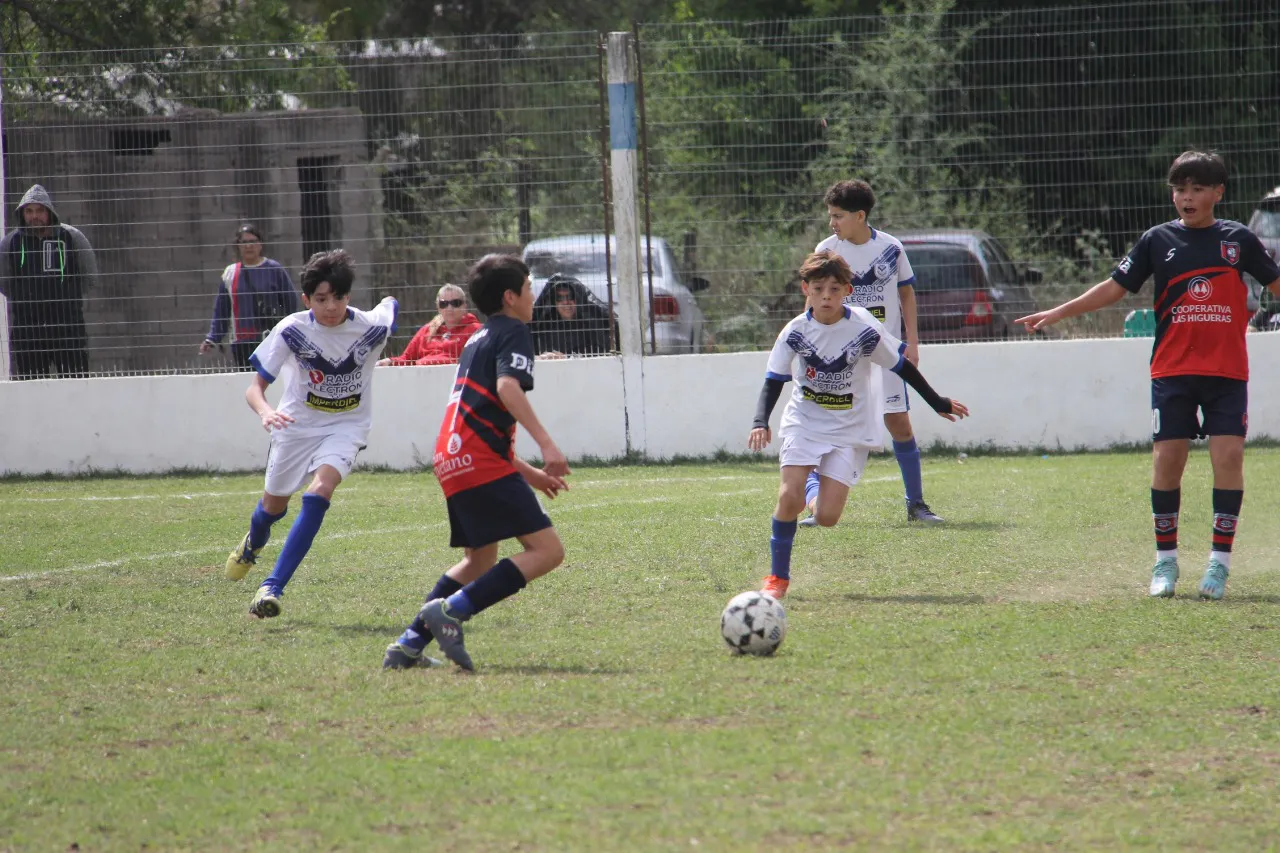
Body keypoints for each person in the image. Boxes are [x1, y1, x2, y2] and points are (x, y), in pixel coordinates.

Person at [1019, 150, 1280, 601]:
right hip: (1173, 371)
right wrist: (1060, 310)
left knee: (1229, 460)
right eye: (1180, 189)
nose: (1187, 197)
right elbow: (1114, 288)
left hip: (1226, 372)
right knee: (1167, 462)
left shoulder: (1238, 240)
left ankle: (1219, 565)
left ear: (1218, 192)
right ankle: (1166, 561)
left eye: (1198, 188)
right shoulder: (1157, 240)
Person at [383, 253, 570, 672]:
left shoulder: (476, 338)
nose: (533, 295)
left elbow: (480, 419)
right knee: (547, 551)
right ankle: (453, 610)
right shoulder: (514, 332)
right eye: (527, 287)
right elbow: (507, 388)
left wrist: (532, 474)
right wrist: (548, 445)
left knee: (479, 560)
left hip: (452, 458)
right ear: (510, 296)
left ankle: (408, 645)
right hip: (479, 461)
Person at [750, 251, 969, 600]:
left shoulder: (863, 331)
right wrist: (760, 421)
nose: (826, 296)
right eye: (818, 288)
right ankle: (778, 579)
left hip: (849, 431)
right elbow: (774, 380)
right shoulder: (794, 332)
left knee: (827, 517)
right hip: (804, 423)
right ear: (805, 289)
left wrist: (937, 401)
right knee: (787, 497)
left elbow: (901, 367)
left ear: (847, 292)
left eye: (834, 289)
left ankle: (812, 484)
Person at [223, 249, 398, 619]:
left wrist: (389, 300)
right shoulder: (292, 330)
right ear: (307, 299)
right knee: (272, 510)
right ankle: (253, 542)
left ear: (348, 296)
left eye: (338, 297)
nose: (331, 306)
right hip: (295, 427)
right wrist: (267, 412)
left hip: (346, 426)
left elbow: (389, 307)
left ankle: (271, 587)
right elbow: (254, 389)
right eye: (321, 299)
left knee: (320, 492)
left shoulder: (372, 328)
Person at [808, 179, 943, 525]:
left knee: (898, 422)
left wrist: (911, 342)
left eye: (838, 216)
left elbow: (907, 294)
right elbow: (813, 299)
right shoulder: (827, 251)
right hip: (841, 358)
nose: (832, 223)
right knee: (825, 424)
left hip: (883, 351)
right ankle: (813, 496)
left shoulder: (891, 248)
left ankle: (916, 504)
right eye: (830, 216)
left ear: (860, 215)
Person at [0, 184, 99, 379]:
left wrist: (65, 296)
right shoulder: (10, 242)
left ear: (49, 212)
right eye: (29, 211)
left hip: (68, 329)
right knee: (32, 390)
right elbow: (3, 281)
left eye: (39, 211)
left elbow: (90, 277)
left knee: (75, 387)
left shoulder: (72, 237)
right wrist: (25, 297)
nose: (34, 216)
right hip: (28, 331)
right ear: (22, 214)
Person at [199, 224, 300, 369]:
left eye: (253, 241)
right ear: (238, 246)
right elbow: (222, 310)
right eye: (244, 242)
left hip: (271, 340)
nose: (249, 246)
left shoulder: (274, 269)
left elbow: (290, 302)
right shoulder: (230, 273)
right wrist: (212, 338)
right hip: (241, 343)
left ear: (260, 244)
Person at [376, 283, 481, 366]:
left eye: (455, 303)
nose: (449, 308)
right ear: (438, 307)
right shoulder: (428, 330)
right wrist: (390, 361)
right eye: (444, 304)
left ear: (465, 306)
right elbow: (407, 358)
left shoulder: (475, 330)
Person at [529, 272, 615, 357]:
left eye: (570, 296)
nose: (566, 302)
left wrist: (567, 357)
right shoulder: (544, 325)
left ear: (578, 298)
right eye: (559, 298)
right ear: (553, 302)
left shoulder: (593, 323)